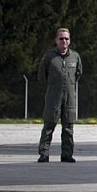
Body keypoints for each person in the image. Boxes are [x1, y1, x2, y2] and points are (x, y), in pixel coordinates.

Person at [37, 27, 82, 163]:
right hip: (53, 98)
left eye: (66, 39)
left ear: (70, 41)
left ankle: (67, 154)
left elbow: (78, 74)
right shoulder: (49, 57)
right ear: (56, 40)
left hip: (69, 98)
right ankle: (44, 154)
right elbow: (41, 76)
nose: (64, 41)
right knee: (49, 126)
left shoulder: (75, 57)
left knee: (68, 127)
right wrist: (53, 88)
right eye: (61, 38)